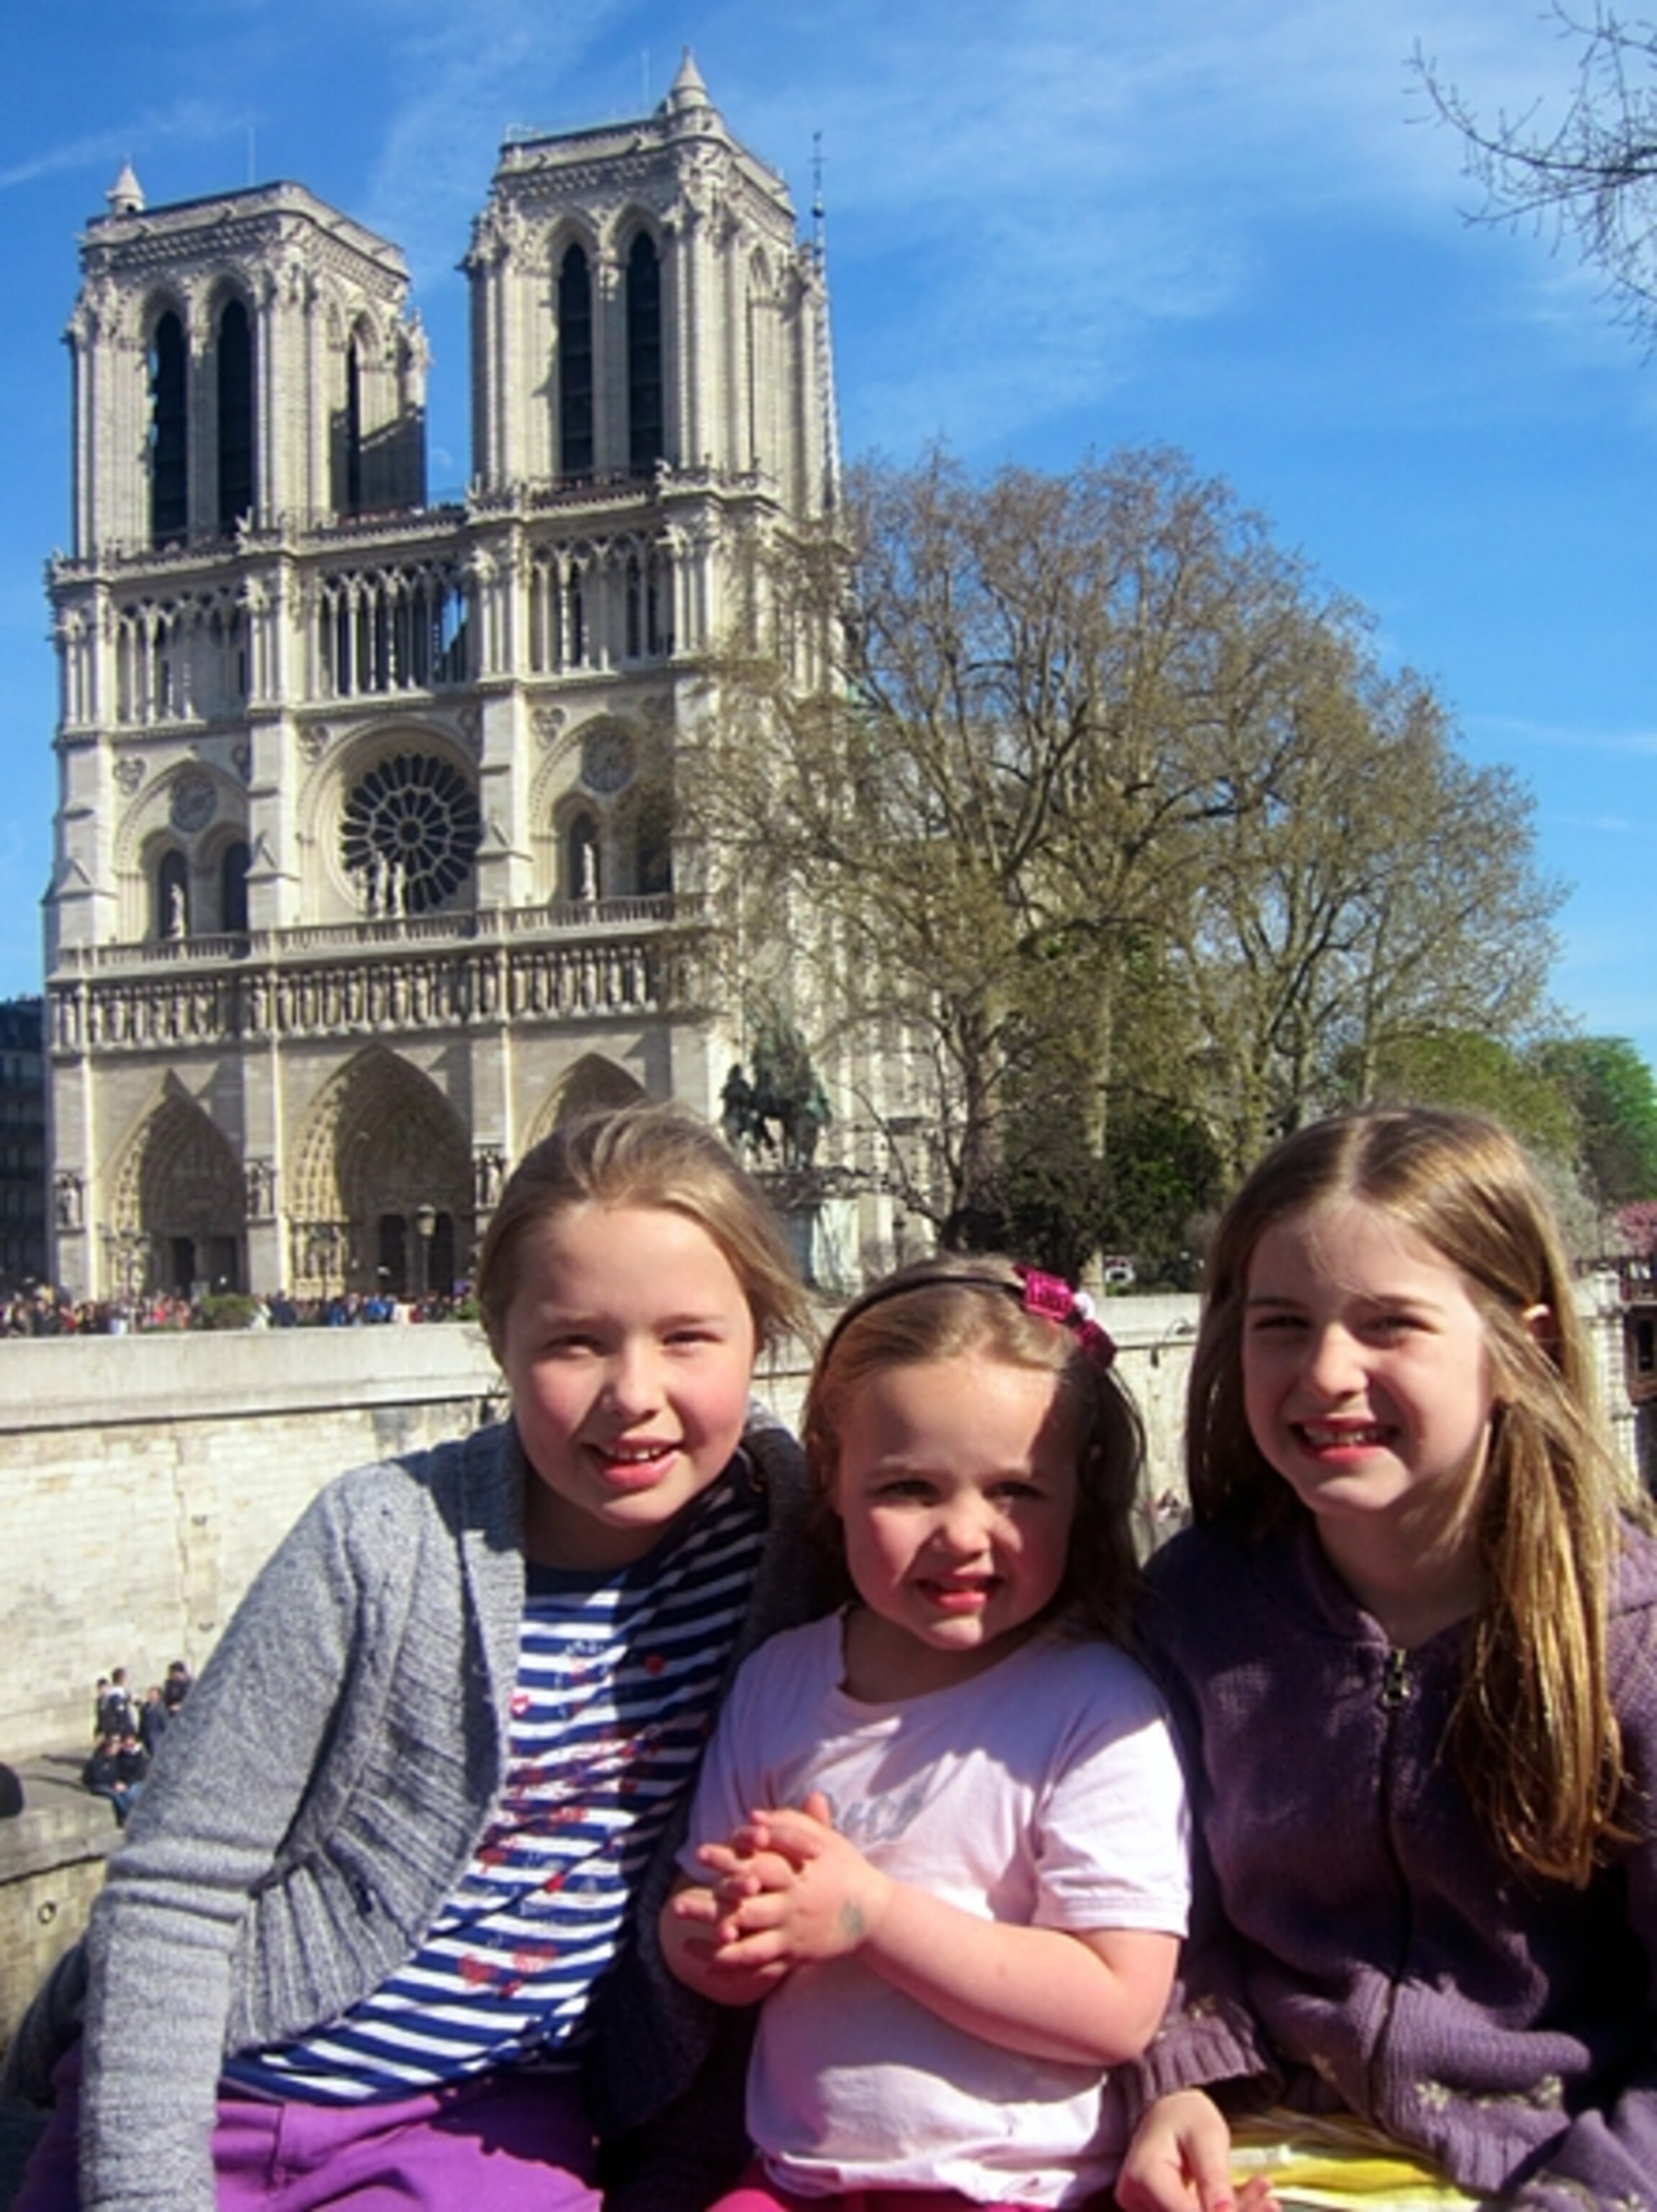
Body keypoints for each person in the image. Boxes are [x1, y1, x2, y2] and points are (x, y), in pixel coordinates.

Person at [6, 1100, 825, 2212]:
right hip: (219, 2082)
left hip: (480, 2123)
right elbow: (176, 1882)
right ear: (496, 1339)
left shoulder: (789, 1533)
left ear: (763, 1333)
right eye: (574, 1342)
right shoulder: (382, 1538)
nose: (634, 1396)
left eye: (687, 1337)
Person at [1115, 1107, 1657, 2212]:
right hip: (1253, 2141)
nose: (1325, 1373)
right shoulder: (1194, 1609)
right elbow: (1156, 1910)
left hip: (1549, 2167)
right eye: (1281, 1324)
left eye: (1388, 1326)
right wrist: (1178, 2079)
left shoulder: (1630, 1643)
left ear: (1525, 1350)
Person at [663, 1255, 1190, 2211]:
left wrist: (870, 1914)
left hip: (1020, 2192)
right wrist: (714, 1936)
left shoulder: (1097, 1710)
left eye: (1014, 1492)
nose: (962, 1533)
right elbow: (712, 1911)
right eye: (908, 1490)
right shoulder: (779, 1681)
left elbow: (1117, 2003)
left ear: (1080, 1495)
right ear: (831, 1477)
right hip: (793, 2180)